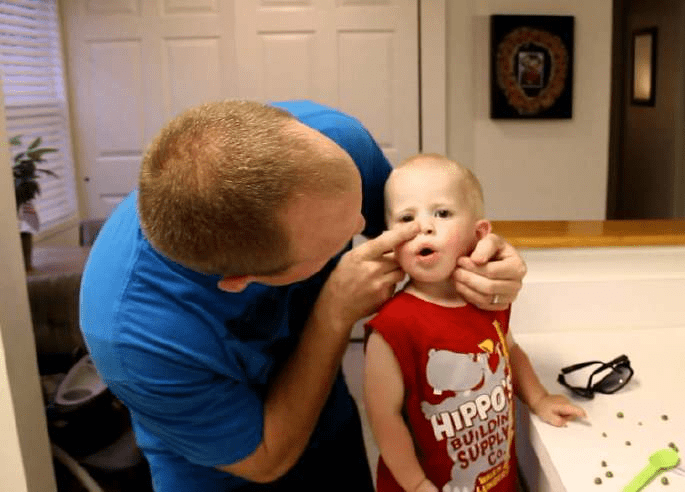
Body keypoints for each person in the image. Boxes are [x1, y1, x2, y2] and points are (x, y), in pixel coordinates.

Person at [79, 100, 528, 491]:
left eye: (359, 208)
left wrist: (488, 260)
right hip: (222, 469)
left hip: (328, 421)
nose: (363, 228)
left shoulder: (332, 141)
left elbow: (429, 234)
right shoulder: (134, 338)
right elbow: (267, 458)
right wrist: (334, 312)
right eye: (339, 239)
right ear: (241, 279)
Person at [364, 154, 586, 492]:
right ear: (392, 244)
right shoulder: (393, 327)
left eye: (442, 213)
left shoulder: (487, 298)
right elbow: (384, 417)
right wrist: (417, 484)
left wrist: (539, 399)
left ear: (478, 233)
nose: (425, 226)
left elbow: (510, 351)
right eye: (407, 217)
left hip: (494, 477)